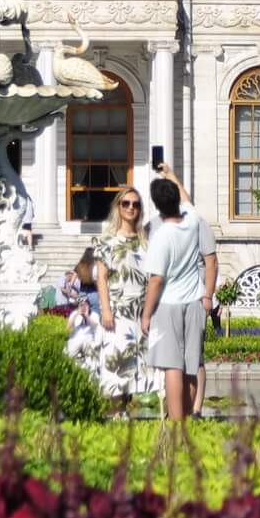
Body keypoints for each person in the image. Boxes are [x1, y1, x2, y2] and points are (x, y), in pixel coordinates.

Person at [67, 184, 151, 402]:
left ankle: (126, 413)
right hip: (117, 310)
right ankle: (115, 414)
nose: (131, 208)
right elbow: (101, 278)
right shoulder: (107, 240)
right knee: (116, 365)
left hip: (139, 312)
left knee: (135, 369)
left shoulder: (145, 242)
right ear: (118, 207)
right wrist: (105, 310)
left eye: (136, 204)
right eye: (126, 203)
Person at [140, 176, 211, 421]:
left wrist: (146, 314)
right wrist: (170, 173)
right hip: (194, 300)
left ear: (156, 206)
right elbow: (188, 201)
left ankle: (176, 424)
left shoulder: (161, 235)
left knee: (173, 365)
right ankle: (189, 417)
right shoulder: (191, 221)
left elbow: (156, 280)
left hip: (168, 303)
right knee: (191, 364)